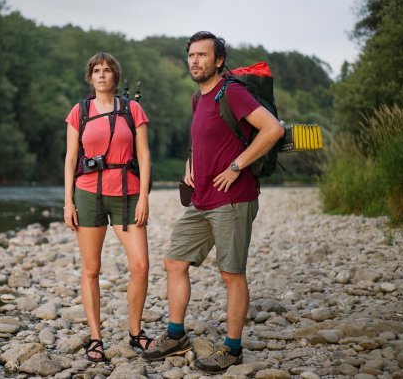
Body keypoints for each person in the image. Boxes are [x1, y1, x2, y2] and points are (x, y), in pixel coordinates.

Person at [142, 31, 284, 372]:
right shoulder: (198, 98)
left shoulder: (231, 92)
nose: (194, 61)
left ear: (218, 60)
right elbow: (201, 139)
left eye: (202, 55)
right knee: (175, 262)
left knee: (231, 274)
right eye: (191, 55)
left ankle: (232, 349)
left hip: (234, 199)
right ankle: (176, 335)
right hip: (202, 200)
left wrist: (237, 166)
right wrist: (189, 165)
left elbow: (273, 129)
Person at [63, 52, 153, 363]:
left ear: (116, 76)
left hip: (128, 194)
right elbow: (70, 159)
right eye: (96, 71)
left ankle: (135, 332)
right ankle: (96, 337)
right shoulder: (80, 111)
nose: (102, 75)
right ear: (90, 77)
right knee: (91, 269)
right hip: (87, 193)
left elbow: (144, 156)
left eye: (108, 70)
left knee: (140, 266)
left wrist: (144, 197)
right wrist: (67, 202)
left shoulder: (133, 109)